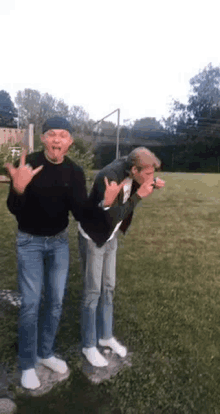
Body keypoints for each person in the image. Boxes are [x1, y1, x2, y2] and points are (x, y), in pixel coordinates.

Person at [4, 116, 124, 390]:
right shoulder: (30, 163)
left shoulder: (74, 172)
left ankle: (45, 353)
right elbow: (15, 208)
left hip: (58, 243)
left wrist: (105, 205)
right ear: (44, 138)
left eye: (63, 135)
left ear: (70, 141)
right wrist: (18, 189)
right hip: (30, 242)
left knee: (56, 302)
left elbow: (81, 213)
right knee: (32, 304)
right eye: (52, 134)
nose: (57, 140)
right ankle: (26, 364)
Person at [78, 147, 165, 367]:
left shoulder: (133, 169)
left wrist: (152, 183)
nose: (149, 177)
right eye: (146, 173)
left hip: (111, 236)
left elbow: (137, 184)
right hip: (94, 236)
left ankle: (105, 336)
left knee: (108, 287)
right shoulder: (109, 178)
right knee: (92, 292)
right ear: (133, 169)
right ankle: (88, 345)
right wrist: (138, 197)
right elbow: (111, 216)